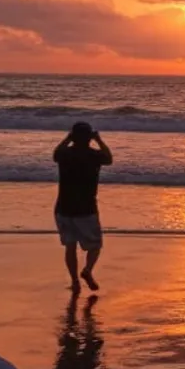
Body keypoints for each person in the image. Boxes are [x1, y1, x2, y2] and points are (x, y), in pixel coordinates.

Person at [54, 122, 113, 292]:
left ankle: (74, 282)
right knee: (95, 245)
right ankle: (87, 270)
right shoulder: (94, 156)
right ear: (89, 138)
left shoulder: (65, 154)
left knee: (70, 246)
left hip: (63, 207)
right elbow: (109, 158)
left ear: (73, 136)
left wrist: (67, 139)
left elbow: (55, 153)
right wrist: (99, 140)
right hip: (86, 208)